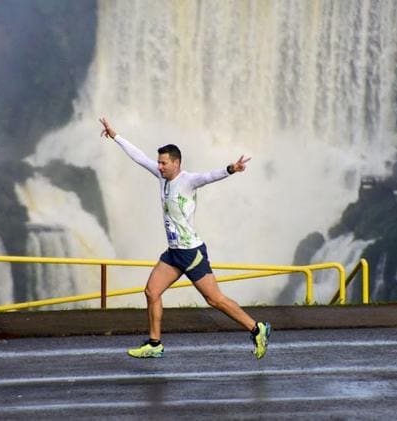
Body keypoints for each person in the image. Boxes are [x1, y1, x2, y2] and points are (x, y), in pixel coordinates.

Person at [99, 117, 271, 359]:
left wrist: (231, 168)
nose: (159, 166)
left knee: (215, 300)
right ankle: (155, 344)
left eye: (163, 163)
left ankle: (257, 328)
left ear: (176, 163)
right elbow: (138, 156)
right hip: (173, 253)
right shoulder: (161, 177)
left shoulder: (188, 181)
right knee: (151, 292)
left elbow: (210, 176)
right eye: (158, 162)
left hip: (191, 253)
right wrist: (115, 136)